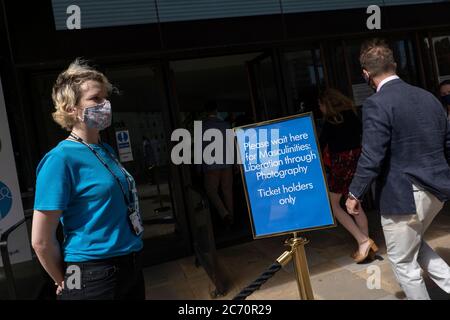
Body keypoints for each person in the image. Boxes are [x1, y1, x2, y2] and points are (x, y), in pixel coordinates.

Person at [31, 59, 145, 300]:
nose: (105, 105)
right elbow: (41, 241)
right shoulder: (59, 159)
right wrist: (65, 281)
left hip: (130, 265)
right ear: (71, 107)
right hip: (92, 274)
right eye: (96, 99)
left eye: (106, 98)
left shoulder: (104, 149)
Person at [346, 38, 450, 300]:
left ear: (366, 74)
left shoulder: (376, 104)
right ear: (394, 65)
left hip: (404, 197)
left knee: (403, 262)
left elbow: (372, 155)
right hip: (437, 191)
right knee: (413, 245)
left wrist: (354, 194)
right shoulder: (429, 97)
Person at [318, 89, 379, 263]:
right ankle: (366, 247)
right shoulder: (352, 115)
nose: (319, 108)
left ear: (326, 104)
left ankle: (363, 240)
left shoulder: (331, 121)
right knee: (354, 202)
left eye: (320, 105)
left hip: (341, 166)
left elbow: (321, 145)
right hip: (357, 163)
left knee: (334, 205)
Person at [201, 101, 234, 227]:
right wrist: (235, 162)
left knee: (211, 190)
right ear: (216, 110)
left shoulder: (202, 126)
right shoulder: (225, 125)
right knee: (228, 192)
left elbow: (200, 148)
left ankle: (224, 213)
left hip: (211, 164)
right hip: (227, 162)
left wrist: (199, 167)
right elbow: (232, 144)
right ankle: (232, 219)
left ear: (205, 111)